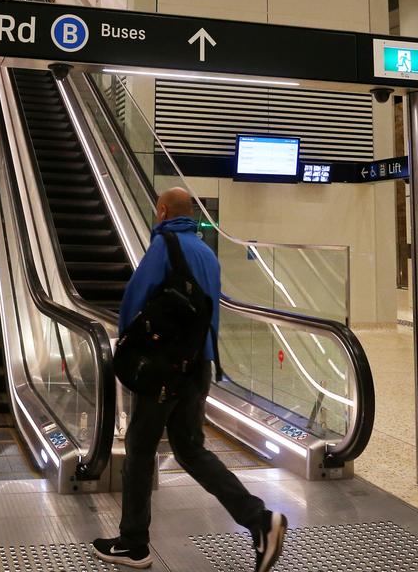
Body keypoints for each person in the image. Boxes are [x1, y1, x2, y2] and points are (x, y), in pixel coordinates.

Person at [92, 188, 288, 571]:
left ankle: (134, 543)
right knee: (191, 450)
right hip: (199, 367)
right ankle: (260, 520)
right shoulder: (207, 253)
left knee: (140, 448)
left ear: (162, 211)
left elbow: (135, 297)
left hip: (165, 369)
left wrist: (128, 347)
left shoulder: (164, 245)